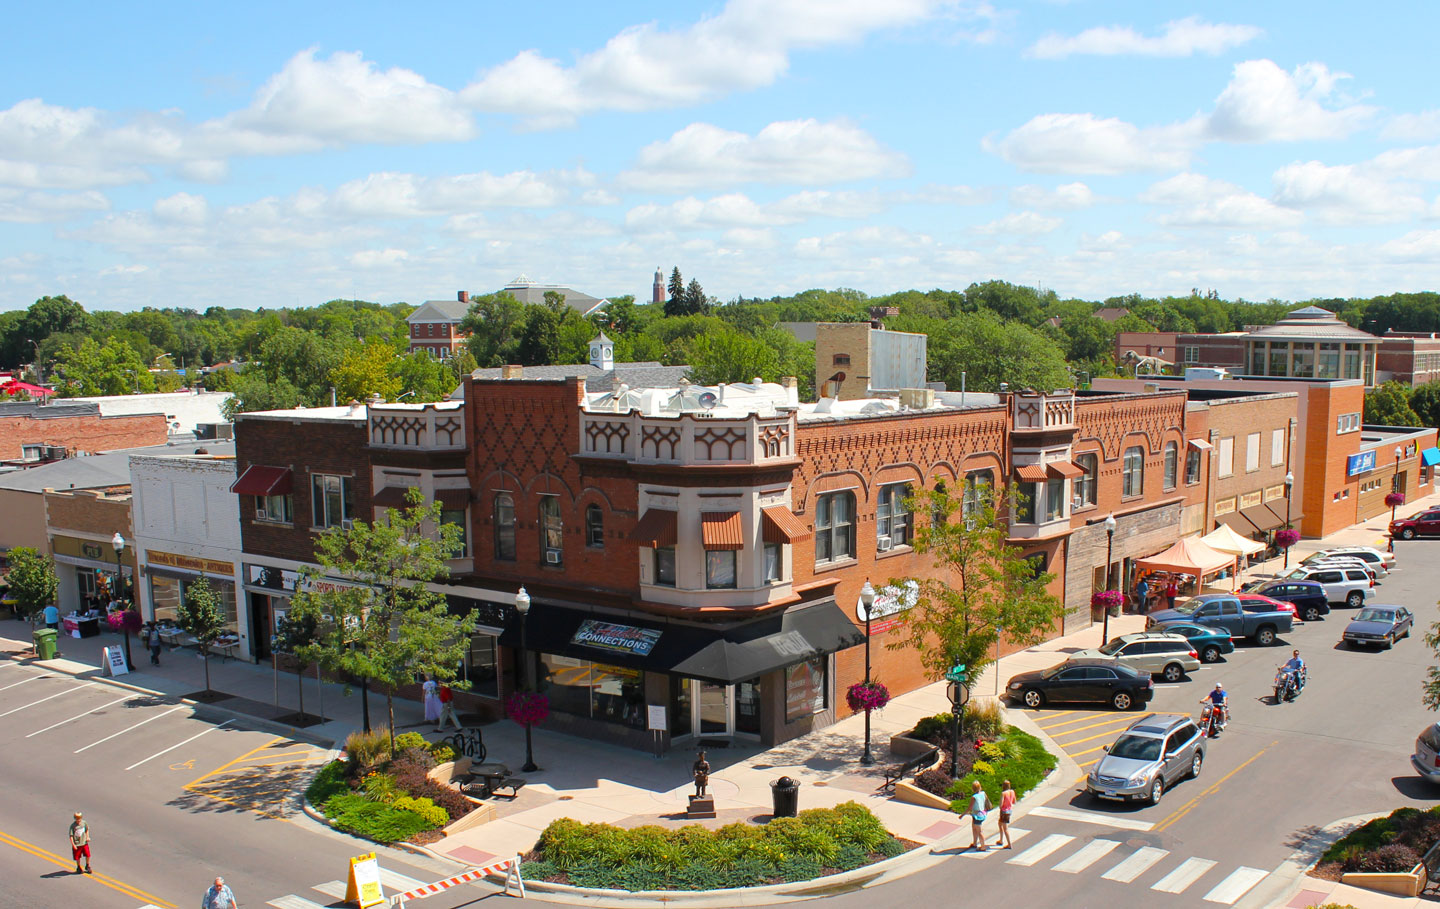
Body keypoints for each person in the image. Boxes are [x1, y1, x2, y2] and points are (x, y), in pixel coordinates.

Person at [994, 780, 1016, 849]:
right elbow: (1014, 801)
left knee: (1005, 828)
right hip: (1009, 810)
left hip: (1004, 812)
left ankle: (1009, 844)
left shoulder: (1003, 793)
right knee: (999, 823)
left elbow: (1000, 805)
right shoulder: (1012, 792)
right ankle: (1000, 840)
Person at [969, 780, 989, 851]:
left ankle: (983, 846)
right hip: (982, 813)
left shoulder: (974, 797)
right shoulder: (983, 793)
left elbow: (970, 808)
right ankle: (974, 843)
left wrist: (962, 815)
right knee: (974, 828)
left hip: (977, 815)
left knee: (979, 831)